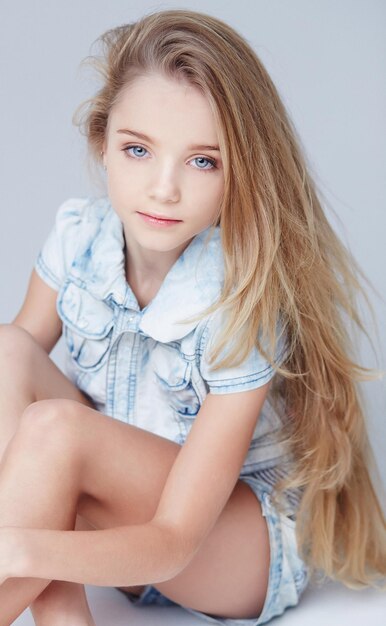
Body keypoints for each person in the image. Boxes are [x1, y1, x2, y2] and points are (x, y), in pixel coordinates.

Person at [0, 8, 385, 626]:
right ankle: (63, 614)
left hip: (223, 553)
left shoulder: (242, 306)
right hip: (110, 548)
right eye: (138, 150)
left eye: (202, 161)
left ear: (240, 176)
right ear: (102, 143)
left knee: (56, 431)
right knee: (7, 352)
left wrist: (20, 546)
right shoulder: (78, 239)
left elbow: (176, 536)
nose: (164, 189)